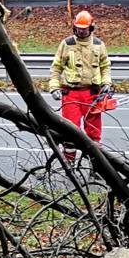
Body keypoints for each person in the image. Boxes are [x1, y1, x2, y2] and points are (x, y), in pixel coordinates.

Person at [49, 10, 112, 160]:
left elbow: (105, 66)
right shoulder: (67, 44)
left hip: (92, 94)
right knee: (70, 131)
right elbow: (56, 67)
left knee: (94, 134)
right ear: (74, 27)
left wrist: (107, 83)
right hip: (70, 93)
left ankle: (96, 166)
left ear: (91, 27)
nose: (81, 31)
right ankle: (69, 166)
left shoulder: (98, 45)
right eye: (79, 28)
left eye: (84, 28)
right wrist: (54, 87)